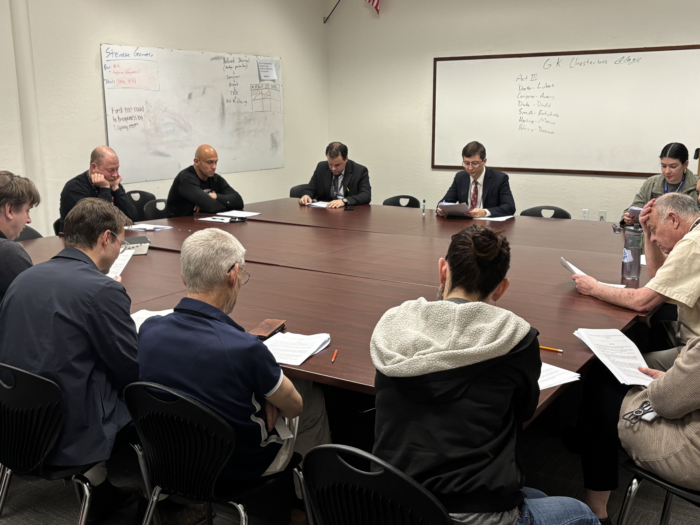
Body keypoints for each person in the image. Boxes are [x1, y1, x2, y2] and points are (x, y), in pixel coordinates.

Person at [371, 225, 598, 525]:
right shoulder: (516, 338)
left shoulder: (393, 326)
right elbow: (524, 410)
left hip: (393, 503)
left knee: (537, 497)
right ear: (501, 288)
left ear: (443, 270)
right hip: (472, 512)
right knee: (582, 514)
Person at [138, 228, 331, 521]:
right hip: (234, 468)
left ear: (183, 278)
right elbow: (294, 407)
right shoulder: (243, 348)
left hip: (170, 459)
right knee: (310, 395)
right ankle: (309, 502)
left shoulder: (149, 329)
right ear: (233, 274)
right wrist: (269, 393)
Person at [0, 198, 140, 523]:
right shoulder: (101, 290)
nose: (120, 249)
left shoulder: (24, 279)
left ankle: (102, 482)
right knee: (159, 398)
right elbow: (131, 370)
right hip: (69, 432)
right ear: (106, 238)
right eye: (121, 240)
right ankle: (167, 496)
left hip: (16, 424)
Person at [576, 336, 700, 524]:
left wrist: (672, 380)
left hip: (690, 457)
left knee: (601, 380)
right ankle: (582, 437)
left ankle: (596, 512)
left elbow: (665, 403)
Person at [573, 193, 700, 371]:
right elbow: (659, 275)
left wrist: (594, 287)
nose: (653, 239)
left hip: (695, 352)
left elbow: (642, 302)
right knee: (650, 330)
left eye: (655, 230)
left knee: (607, 368)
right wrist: (646, 230)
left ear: (673, 219)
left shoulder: (693, 243)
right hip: (690, 334)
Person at [59, 146, 138, 233]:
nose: (115, 175)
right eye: (111, 170)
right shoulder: (74, 188)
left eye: (117, 169)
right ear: (94, 167)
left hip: (110, 237)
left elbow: (132, 218)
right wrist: (104, 189)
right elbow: (98, 223)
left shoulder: (112, 182)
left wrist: (116, 189)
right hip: (80, 240)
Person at [620, 143, 698, 226]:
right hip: (654, 235)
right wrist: (630, 218)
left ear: (685, 164)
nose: (667, 171)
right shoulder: (651, 183)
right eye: (664, 166)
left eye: (673, 166)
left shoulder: (697, 185)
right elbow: (635, 208)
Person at [437, 141, 516, 218]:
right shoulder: (460, 177)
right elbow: (444, 203)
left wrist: (485, 212)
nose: (470, 168)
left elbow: (510, 207)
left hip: (489, 226)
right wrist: (442, 210)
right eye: (466, 163)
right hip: (464, 225)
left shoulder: (499, 178)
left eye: (475, 163)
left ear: (484, 161)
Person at [165, 144, 244, 217]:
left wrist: (216, 196)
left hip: (201, 222)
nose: (214, 167)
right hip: (179, 226)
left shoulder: (214, 178)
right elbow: (211, 207)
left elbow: (239, 202)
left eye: (215, 162)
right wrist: (230, 206)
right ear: (196, 162)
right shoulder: (186, 178)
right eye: (209, 162)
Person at [0, 171, 40, 302]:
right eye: (27, 210)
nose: (29, 220)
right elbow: (37, 302)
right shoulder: (7, 252)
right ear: (10, 210)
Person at [299, 142, 371, 208]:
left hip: (348, 214)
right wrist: (306, 196)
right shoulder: (321, 167)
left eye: (337, 165)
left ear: (346, 159)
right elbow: (310, 189)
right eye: (330, 164)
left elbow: (366, 196)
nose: (333, 168)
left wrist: (344, 201)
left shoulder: (359, 171)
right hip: (325, 212)